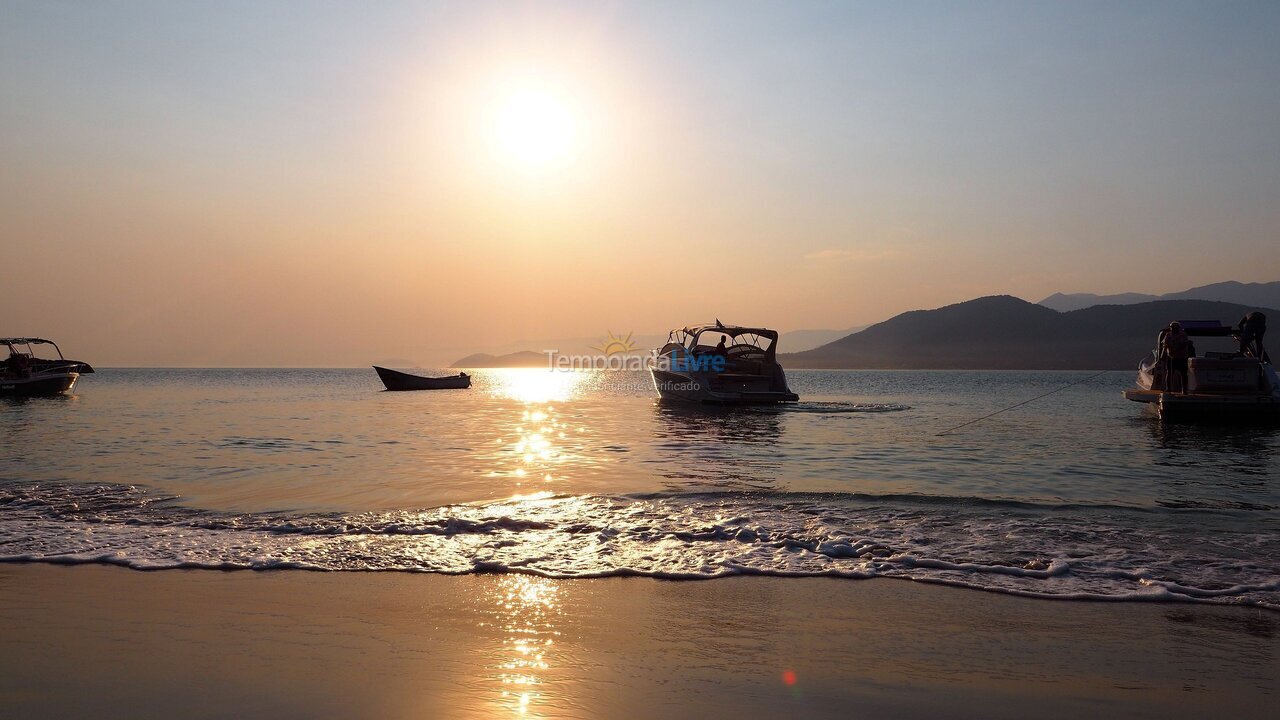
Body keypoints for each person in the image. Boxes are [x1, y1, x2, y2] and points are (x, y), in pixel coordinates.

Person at [1162, 321, 1191, 393]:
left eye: (1175, 328)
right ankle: (1168, 388)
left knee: (1183, 373)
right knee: (1169, 373)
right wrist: (1165, 354)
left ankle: (1184, 390)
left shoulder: (1183, 335)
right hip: (1171, 357)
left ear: (1178, 328)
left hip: (1181, 357)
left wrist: (1176, 350)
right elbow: (1165, 345)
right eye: (1172, 328)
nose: (1173, 329)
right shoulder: (1168, 335)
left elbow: (1184, 344)